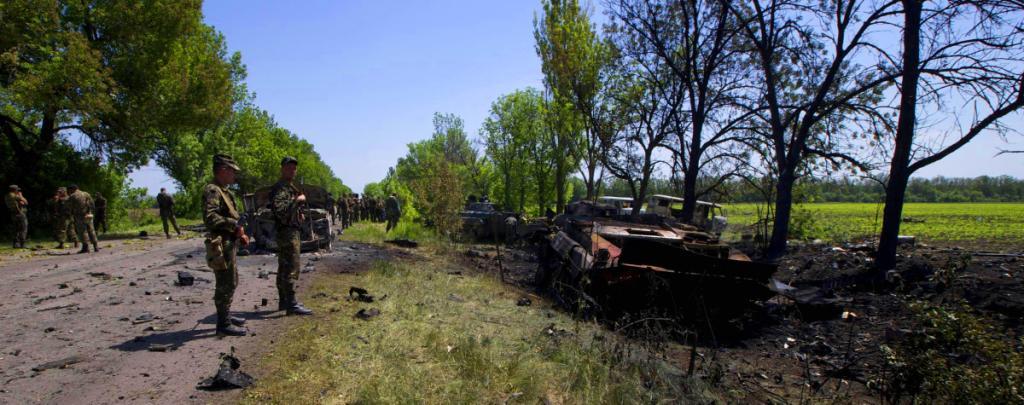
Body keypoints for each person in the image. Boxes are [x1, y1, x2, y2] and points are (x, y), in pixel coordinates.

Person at [203, 154, 249, 337]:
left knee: (232, 280)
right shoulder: (213, 190)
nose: (234, 176)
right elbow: (210, 217)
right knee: (225, 283)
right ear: (223, 170)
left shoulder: (225, 191)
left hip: (229, 241)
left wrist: (240, 231)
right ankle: (223, 323)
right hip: (221, 243)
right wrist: (233, 225)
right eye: (232, 171)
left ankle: (226, 314)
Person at [269, 156, 314, 316]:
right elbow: (281, 211)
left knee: (284, 267)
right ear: (282, 168)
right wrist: (298, 200)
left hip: (289, 230)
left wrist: (297, 214)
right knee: (291, 268)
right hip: (287, 232)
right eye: (289, 167)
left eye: (294, 168)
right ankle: (291, 304)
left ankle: (284, 301)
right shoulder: (280, 188)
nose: (292, 170)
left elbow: (288, 211)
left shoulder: (288, 187)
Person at [66, 185, 99, 253]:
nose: (68, 192)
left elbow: (68, 207)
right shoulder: (86, 193)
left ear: (72, 189)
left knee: (83, 231)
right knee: (91, 230)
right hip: (88, 215)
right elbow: (92, 204)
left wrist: (69, 215)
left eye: (69, 190)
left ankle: (85, 247)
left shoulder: (73, 196)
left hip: (79, 216)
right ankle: (96, 247)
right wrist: (91, 213)